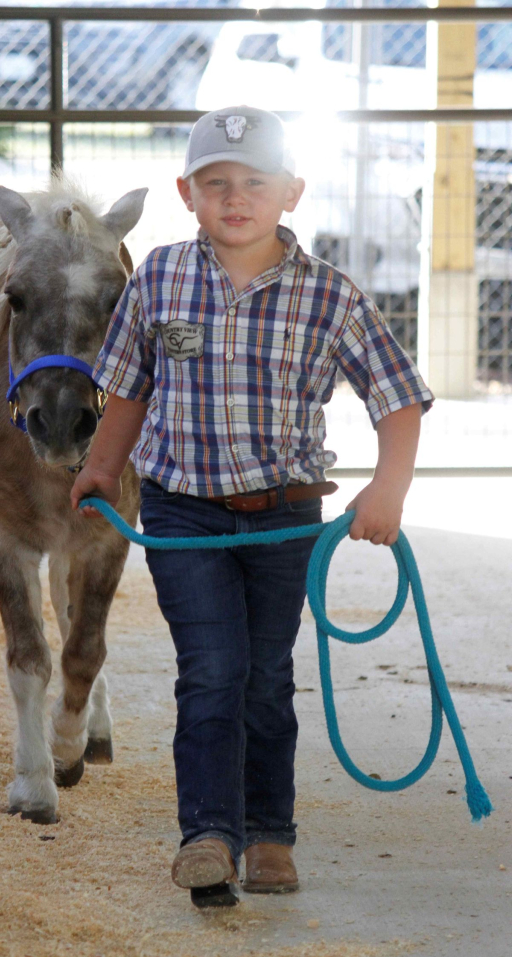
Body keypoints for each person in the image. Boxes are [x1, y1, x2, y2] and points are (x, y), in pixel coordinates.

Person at [70, 105, 434, 908]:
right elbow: (127, 386)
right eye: (216, 183)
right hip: (182, 515)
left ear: (291, 193)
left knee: (264, 677)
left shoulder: (329, 295)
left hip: (283, 516)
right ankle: (207, 836)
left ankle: (269, 833)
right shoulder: (159, 277)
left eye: (254, 183)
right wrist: (101, 466)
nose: (235, 198)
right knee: (210, 671)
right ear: (186, 192)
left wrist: (388, 488)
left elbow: (398, 399)